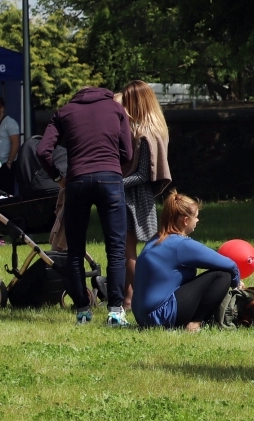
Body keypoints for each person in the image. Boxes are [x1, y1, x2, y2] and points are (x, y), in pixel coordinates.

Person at [38, 85, 136, 326]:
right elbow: (128, 151)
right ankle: (116, 311)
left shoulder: (64, 112)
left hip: (77, 180)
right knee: (116, 248)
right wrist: (112, 165)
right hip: (110, 179)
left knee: (74, 251)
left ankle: (83, 309)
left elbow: (42, 151)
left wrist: (59, 177)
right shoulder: (116, 109)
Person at [131, 192, 242, 330]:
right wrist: (236, 283)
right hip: (161, 315)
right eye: (195, 217)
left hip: (143, 317)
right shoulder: (180, 244)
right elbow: (230, 265)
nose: (197, 221)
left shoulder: (155, 240)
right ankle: (195, 323)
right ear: (185, 220)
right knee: (223, 275)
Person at [120, 81, 173, 311]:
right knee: (132, 248)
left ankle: (142, 295)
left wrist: (115, 184)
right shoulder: (157, 129)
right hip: (143, 196)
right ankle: (128, 299)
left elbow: (142, 175)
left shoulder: (143, 134)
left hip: (134, 196)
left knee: (127, 249)